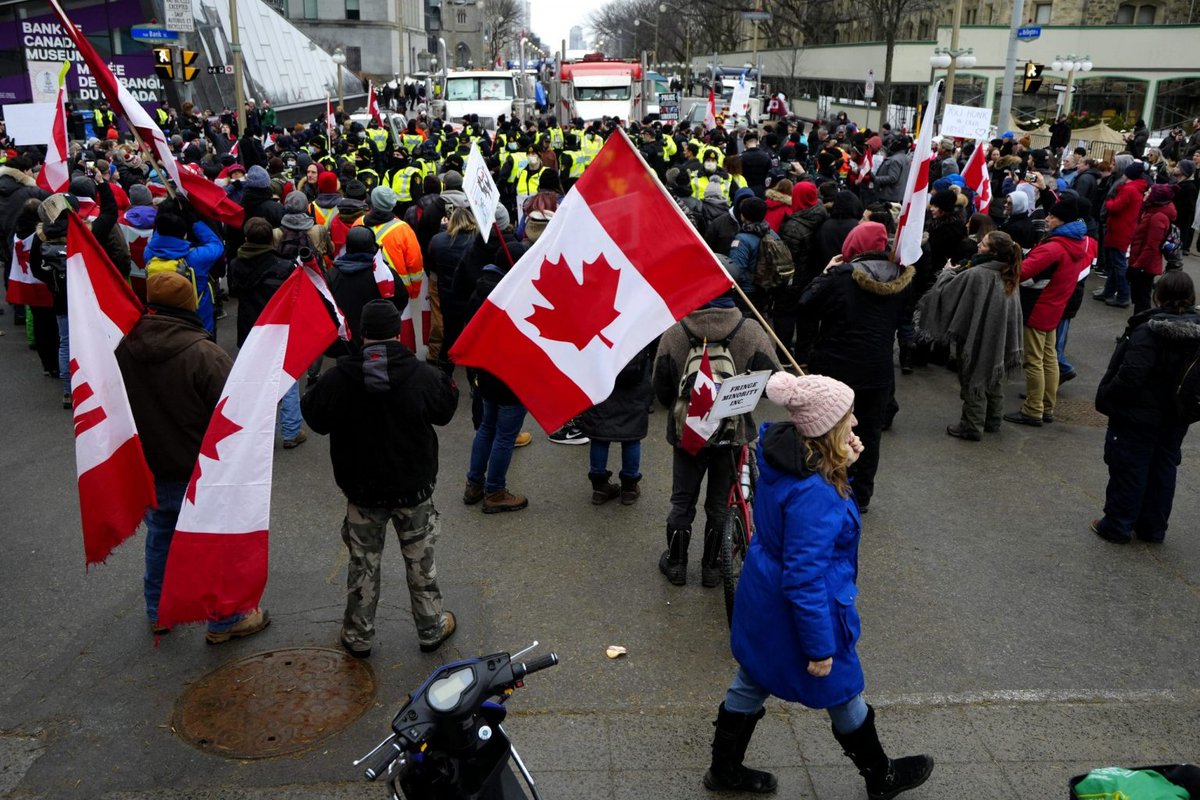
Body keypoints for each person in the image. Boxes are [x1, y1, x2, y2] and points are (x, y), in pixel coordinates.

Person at [706, 372, 933, 798]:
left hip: (765, 596)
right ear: (827, 431)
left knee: (752, 677)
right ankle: (881, 777)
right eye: (848, 417)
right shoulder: (816, 492)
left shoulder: (785, 453)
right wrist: (819, 647)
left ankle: (724, 770)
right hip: (807, 611)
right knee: (842, 687)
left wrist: (843, 464)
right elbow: (805, 575)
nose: (856, 423)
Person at [116, 271, 270, 642]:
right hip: (200, 471)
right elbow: (235, 412)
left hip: (150, 465)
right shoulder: (205, 355)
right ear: (190, 304)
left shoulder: (123, 347)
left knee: (160, 537)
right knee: (211, 544)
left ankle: (159, 611)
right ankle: (224, 620)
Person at [301, 299, 459, 657]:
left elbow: (315, 417)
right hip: (413, 488)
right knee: (420, 561)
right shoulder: (421, 375)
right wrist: (446, 377)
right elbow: (446, 411)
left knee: (363, 563)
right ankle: (431, 627)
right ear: (397, 332)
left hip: (362, 490)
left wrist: (315, 384)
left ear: (362, 333)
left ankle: (358, 635)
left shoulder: (339, 378)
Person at [652, 291, 780, 587]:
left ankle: (676, 563)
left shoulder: (676, 331)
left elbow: (661, 387)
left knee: (682, 500)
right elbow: (774, 382)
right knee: (720, 504)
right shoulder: (750, 330)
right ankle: (713, 567)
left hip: (687, 432)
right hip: (732, 433)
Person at [797, 221, 913, 513]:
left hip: (836, 367)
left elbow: (806, 304)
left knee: (827, 429)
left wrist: (825, 272)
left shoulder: (841, 277)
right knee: (869, 434)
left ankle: (828, 487)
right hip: (878, 370)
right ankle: (861, 494)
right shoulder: (901, 279)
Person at [1092, 271, 1200, 544]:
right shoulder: (1196, 332)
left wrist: (1108, 396)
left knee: (1130, 468)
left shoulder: (1148, 331)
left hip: (1138, 414)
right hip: (1177, 415)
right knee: (1163, 468)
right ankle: (1152, 528)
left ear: (1158, 296)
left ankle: (1117, 525)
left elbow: (1130, 376)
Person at [917, 231, 1025, 441]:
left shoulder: (977, 274)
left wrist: (947, 273)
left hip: (975, 337)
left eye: (983, 244)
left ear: (993, 252)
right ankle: (993, 420)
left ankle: (971, 426)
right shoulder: (1009, 271)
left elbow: (946, 294)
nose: (978, 246)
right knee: (993, 377)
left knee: (973, 377)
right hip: (998, 336)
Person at [1005, 197, 1092, 427]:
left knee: (1033, 361)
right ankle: (1046, 405)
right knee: (1049, 358)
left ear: (1062, 221)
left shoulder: (1054, 247)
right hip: (1054, 307)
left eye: (1052, 216)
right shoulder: (1077, 243)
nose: (1046, 219)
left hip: (1037, 307)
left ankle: (1033, 409)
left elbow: (1021, 271)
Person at [578, 344, 653, 505]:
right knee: (632, 438)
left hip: (602, 389)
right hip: (634, 392)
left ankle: (599, 488)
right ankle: (629, 488)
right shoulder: (638, 333)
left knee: (600, 437)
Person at [1095, 161, 1150, 308]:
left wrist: (1109, 201)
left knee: (1118, 264)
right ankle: (1109, 292)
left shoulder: (1129, 189)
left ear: (1128, 174)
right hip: (1123, 228)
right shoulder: (1135, 188)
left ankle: (1123, 296)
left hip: (1119, 229)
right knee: (1116, 264)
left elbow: (1115, 207)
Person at [1128, 184, 1178, 314]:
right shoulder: (1151, 211)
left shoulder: (1158, 217)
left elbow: (1151, 246)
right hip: (1140, 262)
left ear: (1156, 197)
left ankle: (1140, 324)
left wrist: (1137, 266)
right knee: (1139, 298)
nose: (1145, 193)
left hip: (1145, 265)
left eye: (1149, 192)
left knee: (1142, 300)